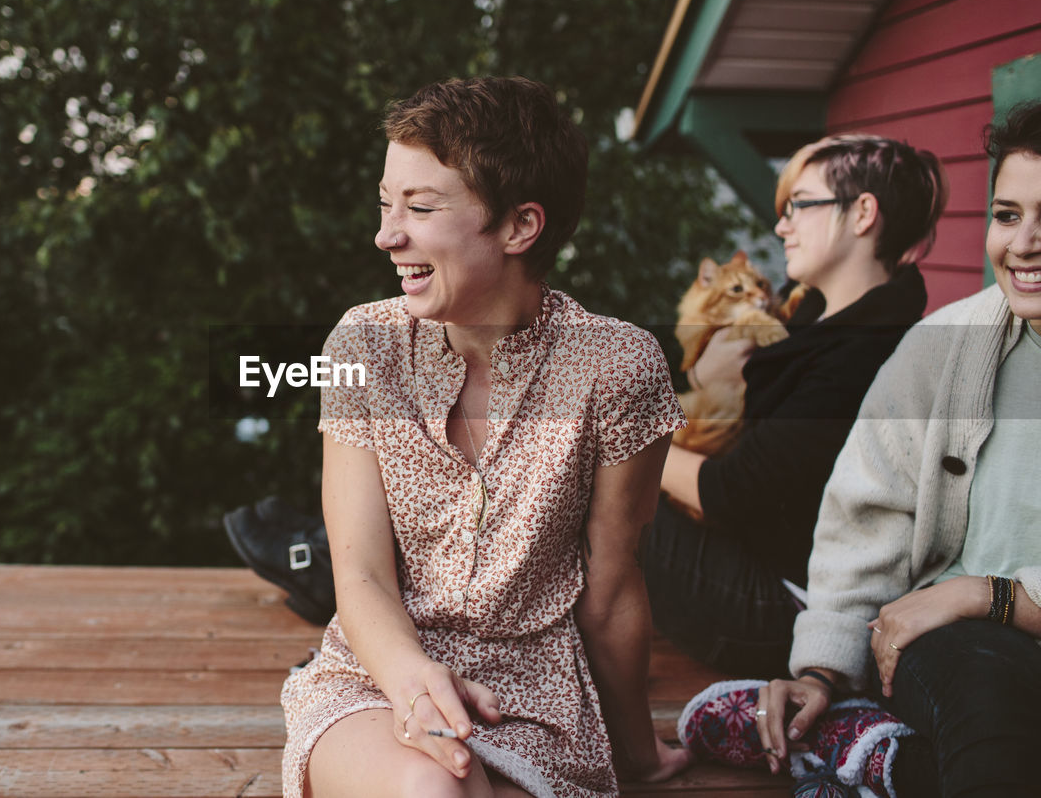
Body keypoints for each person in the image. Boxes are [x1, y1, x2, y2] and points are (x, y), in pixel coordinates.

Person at [280, 76, 690, 797]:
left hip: (540, 701)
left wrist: (640, 754)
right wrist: (414, 682)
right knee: (432, 789)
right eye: (385, 203)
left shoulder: (617, 365)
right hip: (377, 674)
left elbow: (612, 585)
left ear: (518, 227)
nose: (386, 234)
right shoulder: (362, 343)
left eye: (421, 206)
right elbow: (361, 573)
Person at [752, 101, 1041, 796]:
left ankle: (881, 763)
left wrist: (990, 595)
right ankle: (860, 737)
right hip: (961, 651)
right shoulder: (942, 346)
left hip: (978, 613)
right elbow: (865, 518)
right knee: (988, 713)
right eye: (1007, 215)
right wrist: (820, 669)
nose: (1025, 242)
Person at [646, 135, 947, 677]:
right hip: (751, 561)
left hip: (791, 614)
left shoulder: (868, 352)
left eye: (799, 206)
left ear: (862, 213)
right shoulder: (812, 316)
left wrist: (627, 447)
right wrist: (700, 371)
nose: (781, 226)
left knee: (594, 482)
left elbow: (729, 492)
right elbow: (718, 374)